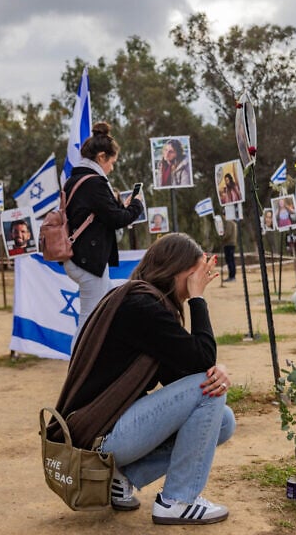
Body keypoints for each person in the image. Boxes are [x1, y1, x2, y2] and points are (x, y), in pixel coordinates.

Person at [51, 233, 234, 524]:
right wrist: (198, 299)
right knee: (207, 390)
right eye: (193, 276)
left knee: (223, 420)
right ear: (177, 271)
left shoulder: (142, 301)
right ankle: (177, 500)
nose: (195, 284)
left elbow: (181, 372)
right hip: (100, 439)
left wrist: (214, 370)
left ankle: (123, 478)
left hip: (107, 432)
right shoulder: (141, 306)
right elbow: (200, 364)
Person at [65, 122, 145, 343]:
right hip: (88, 261)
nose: (112, 168)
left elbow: (105, 215)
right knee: (88, 321)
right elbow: (117, 220)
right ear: (101, 157)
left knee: (117, 296)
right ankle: (77, 368)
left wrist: (124, 205)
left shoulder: (75, 180)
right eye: (112, 162)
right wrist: (136, 206)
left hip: (81, 258)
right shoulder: (95, 183)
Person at [221, 217, 237, 282]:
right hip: (232, 243)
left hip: (228, 243)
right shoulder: (233, 223)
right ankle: (232, 276)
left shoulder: (229, 223)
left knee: (229, 260)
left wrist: (222, 238)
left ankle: (232, 276)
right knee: (231, 260)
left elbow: (228, 233)